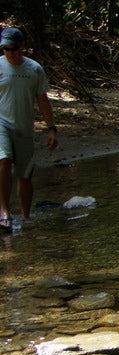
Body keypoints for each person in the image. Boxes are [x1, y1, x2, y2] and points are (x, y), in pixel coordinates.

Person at [0, 27, 58, 231]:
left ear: (23, 47)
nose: (10, 52)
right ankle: (4, 212)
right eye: (6, 48)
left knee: (25, 174)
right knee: (4, 161)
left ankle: (25, 216)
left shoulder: (34, 69)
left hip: (24, 128)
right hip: (1, 124)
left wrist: (52, 128)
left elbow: (42, 100)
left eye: (14, 48)